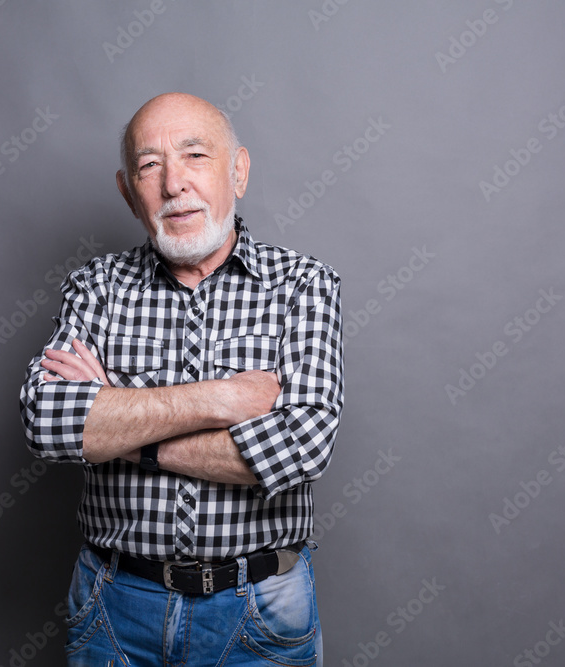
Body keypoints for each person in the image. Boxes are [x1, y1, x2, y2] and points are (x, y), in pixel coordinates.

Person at [19, 92, 344, 666]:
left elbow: (301, 447)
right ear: (128, 192)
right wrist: (224, 398)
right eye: (150, 166)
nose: (173, 184)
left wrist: (122, 423)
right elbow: (48, 421)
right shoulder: (95, 289)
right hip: (114, 605)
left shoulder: (303, 285)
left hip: (261, 611)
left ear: (237, 170)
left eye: (195, 156)